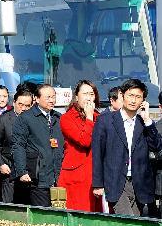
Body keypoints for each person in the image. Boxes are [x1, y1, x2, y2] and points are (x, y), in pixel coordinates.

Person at [92, 78, 160, 216]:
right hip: (115, 181)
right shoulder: (106, 120)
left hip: (139, 183)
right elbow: (98, 153)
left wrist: (147, 120)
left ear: (143, 100)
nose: (134, 100)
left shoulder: (143, 122)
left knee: (134, 225)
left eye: (138, 97)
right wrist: (97, 184)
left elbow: (157, 146)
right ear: (122, 96)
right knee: (128, 221)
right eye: (130, 95)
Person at [12, 84, 65, 207]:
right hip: (37, 176)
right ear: (36, 98)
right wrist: (22, 171)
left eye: (53, 96)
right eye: (48, 97)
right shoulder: (26, 118)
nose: (52, 100)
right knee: (42, 214)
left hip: (57, 176)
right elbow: (18, 145)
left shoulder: (58, 117)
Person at [57, 80, 101, 212]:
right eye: (85, 93)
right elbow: (84, 141)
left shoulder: (99, 117)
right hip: (76, 175)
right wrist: (89, 118)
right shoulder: (66, 118)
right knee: (80, 215)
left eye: (92, 94)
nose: (89, 97)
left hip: (96, 174)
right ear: (76, 97)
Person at [0, 89, 33, 203]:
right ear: (14, 102)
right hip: (9, 168)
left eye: (27, 105)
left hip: (28, 170)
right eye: (20, 104)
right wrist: (1, 164)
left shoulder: (34, 121)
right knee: (9, 205)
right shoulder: (4, 120)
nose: (23, 108)